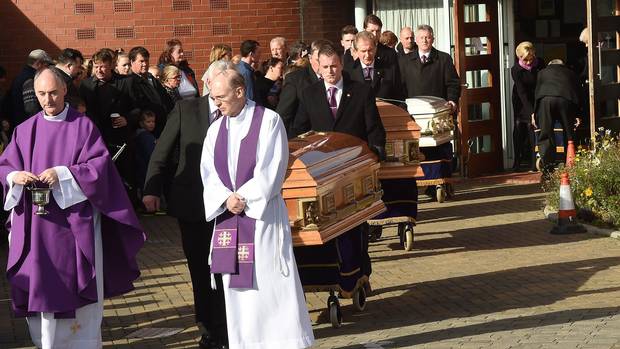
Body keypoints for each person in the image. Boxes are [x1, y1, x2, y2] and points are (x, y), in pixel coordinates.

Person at [0, 68, 145, 349]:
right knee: (43, 288)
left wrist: (63, 174)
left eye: (53, 92)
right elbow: (6, 166)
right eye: (41, 94)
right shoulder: (25, 129)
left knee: (75, 291)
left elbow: (100, 168)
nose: (48, 100)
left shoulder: (83, 127)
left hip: (73, 228)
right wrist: (14, 177)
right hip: (37, 229)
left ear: (65, 89)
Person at [199, 67, 314, 349]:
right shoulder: (216, 129)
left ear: (240, 92)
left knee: (269, 286)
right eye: (213, 98)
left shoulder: (269, 121)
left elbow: (272, 169)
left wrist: (245, 198)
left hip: (262, 221)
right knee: (237, 290)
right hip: (229, 217)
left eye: (221, 98)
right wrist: (226, 199)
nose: (216, 104)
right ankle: (244, 343)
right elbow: (207, 173)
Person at [143, 60, 234, 349]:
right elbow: (162, 151)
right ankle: (208, 327)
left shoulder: (240, 113)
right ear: (208, 83)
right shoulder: (186, 110)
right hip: (193, 205)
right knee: (200, 269)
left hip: (229, 208)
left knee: (228, 267)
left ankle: (230, 327)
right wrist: (151, 189)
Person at [292, 43, 385, 298]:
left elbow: (374, 127)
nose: (331, 71)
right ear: (318, 68)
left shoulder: (361, 91)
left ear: (341, 65)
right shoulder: (309, 94)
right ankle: (326, 276)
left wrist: (376, 153)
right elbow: (299, 130)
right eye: (325, 67)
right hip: (321, 172)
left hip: (352, 170)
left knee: (357, 226)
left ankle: (360, 274)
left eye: (334, 66)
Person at [79, 48, 136, 201]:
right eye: (96, 66)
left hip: (120, 137)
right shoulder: (86, 85)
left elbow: (139, 108)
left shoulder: (126, 82)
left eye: (103, 66)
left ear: (111, 65)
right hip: (96, 138)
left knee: (124, 175)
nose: (99, 70)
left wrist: (127, 119)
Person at [533, 59, 581, 176]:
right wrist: (578, 114)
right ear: (562, 65)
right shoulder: (570, 73)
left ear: (550, 65)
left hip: (545, 100)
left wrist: (535, 113)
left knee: (546, 133)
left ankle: (548, 168)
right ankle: (569, 163)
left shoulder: (542, 72)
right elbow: (578, 92)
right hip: (566, 100)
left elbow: (537, 93)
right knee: (568, 132)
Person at [399, 24, 461, 112]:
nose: (424, 41)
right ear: (416, 40)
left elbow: (453, 83)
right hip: (412, 110)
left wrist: (452, 100)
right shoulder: (404, 61)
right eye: (421, 38)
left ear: (433, 40)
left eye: (427, 37)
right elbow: (400, 86)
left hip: (438, 109)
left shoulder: (444, 59)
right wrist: (403, 106)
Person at [276, 39, 330, 135]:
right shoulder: (295, 80)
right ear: (310, 58)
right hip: (304, 139)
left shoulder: (340, 77)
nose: (323, 65)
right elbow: (283, 115)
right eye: (318, 60)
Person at [511, 41, 544, 172]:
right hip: (521, 100)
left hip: (537, 96)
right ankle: (517, 161)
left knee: (533, 129)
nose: (529, 62)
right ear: (519, 57)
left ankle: (533, 163)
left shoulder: (540, 63)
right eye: (525, 60)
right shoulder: (516, 70)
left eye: (531, 59)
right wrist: (531, 113)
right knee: (519, 128)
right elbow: (522, 92)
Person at [344, 31, 403, 102]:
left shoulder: (390, 69)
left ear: (376, 49)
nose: (367, 55)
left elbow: (399, 98)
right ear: (356, 51)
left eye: (370, 50)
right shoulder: (348, 72)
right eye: (363, 51)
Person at [3, 49, 53, 127]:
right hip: (28, 125)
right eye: (46, 65)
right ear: (38, 64)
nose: (47, 69)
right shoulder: (30, 80)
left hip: (20, 124)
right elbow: (31, 108)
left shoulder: (20, 76)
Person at [128, 46, 167, 137]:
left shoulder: (151, 78)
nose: (145, 64)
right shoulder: (130, 82)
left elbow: (164, 97)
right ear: (132, 62)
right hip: (146, 130)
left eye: (146, 61)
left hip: (161, 127)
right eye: (141, 61)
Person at [135, 110, 157, 198]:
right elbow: (151, 154)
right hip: (146, 168)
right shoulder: (146, 137)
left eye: (153, 121)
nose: (151, 124)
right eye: (148, 122)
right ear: (141, 123)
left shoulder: (145, 136)